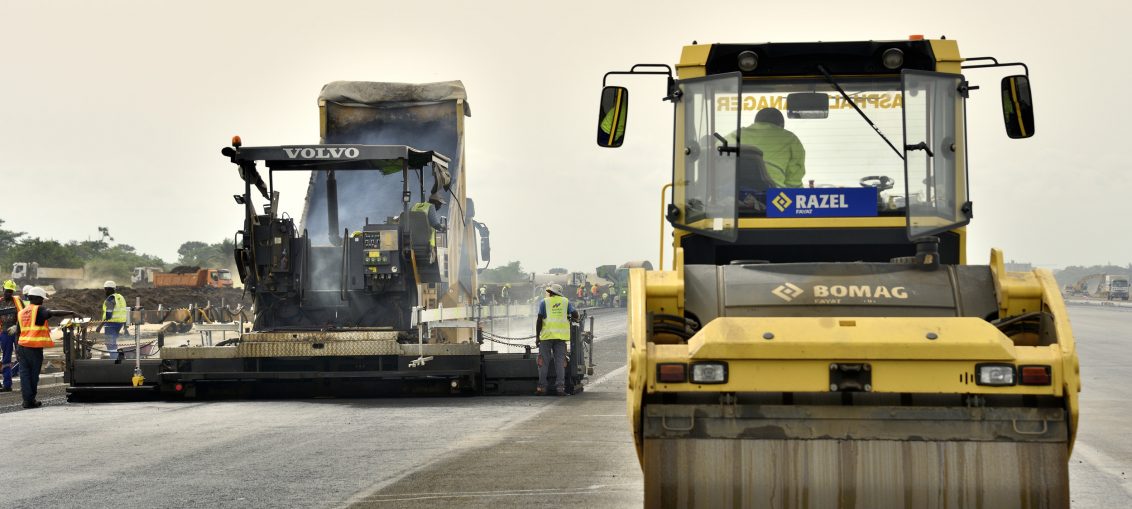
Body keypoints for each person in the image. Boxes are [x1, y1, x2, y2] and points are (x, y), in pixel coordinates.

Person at [13, 287, 78, 409]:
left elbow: (18, 332)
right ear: (36, 298)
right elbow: (52, 313)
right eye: (42, 298)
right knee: (33, 375)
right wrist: (71, 313)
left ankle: (27, 400)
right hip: (33, 349)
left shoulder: (21, 312)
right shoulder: (39, 310)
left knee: (24, 375)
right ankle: (30, 400)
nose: (43, 301)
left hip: (22, 347)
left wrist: (17, 349)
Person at [729, 107, 806, 189]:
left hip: (735, 194)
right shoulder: (791, 139)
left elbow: (717, 154)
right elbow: (794, 182)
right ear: (781, 125)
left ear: (755, 123)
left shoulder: (735, 135)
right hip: (773, 196)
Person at [535, 284, 578, 396]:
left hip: (546, 336)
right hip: (560, 337)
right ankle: (560, 388)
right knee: (560, 363)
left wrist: (537, 336)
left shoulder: (544, 302)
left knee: (543, 363)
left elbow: (539, 319)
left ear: (551, 292)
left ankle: (541, 388)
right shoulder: (565, 301)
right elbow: (575, 314)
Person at [0, 280, 24, 392]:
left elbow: (25, 315)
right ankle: (7, 385)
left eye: (10, 291)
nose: (8, 293)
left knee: (22, 356)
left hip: (17, 332)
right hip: (5, 333)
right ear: (3, 289)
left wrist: (16, 326)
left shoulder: (17, 301)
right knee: (6, 359)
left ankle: (25, 383)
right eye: (7, 291)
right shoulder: (0, 302)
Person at [99, 281, 128, 358]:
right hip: (120, 323)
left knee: (110, 343)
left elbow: (108, 315)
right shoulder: (120, 297)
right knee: (112, 342)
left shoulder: (110, 299)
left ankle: (115, 360)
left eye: (105, 289)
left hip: (111, 324)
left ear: (108, 289)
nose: (105, 291)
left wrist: (100, 326)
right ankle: (116, 358)